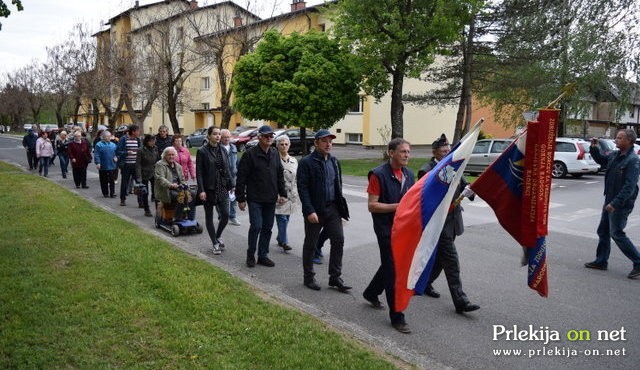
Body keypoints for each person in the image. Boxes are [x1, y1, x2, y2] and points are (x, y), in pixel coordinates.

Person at [417, 134, 479, 314]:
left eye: (448, 150)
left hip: (453, 221)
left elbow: (465, 185)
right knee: (452, 261)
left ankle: (426, 283)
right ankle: (461, 301)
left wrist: (470, 190)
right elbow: (425, 198)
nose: (447, 152)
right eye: (443, 150)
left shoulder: (454, 165)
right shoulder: (426, 170)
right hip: (438, 223)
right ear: (434, 152)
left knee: (440, 260)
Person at [363, 138, 414, 334]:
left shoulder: (409, 175)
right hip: (385, 230)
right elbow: (372, 205)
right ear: (391, 153)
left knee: (389, 265)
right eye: (403, 151)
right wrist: (398, 207)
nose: (407, 155)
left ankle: (371, 292)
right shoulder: (378, 175)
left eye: (408, 152)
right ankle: (397, 316)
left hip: (403, 229)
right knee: (394, 272)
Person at [297, 129, 351, 292]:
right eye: (324, 141)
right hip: (315, 210)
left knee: (338, 240)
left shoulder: (334, 161)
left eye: (330, 141)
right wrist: (309, 210)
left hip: (332, 208)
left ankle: (335, 277)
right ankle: (308, 277)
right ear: (316, 143)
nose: (329, 144)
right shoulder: (306, 162)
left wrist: (340, 210)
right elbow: (303, 188)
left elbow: (338, 186)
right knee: (311, 244)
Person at [586, 129, 640, 279]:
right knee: (603, 231)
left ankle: (638, 262)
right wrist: (594, 148)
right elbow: (602, 160)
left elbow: (629, 187)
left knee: (616, 233)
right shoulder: (616, 155)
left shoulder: (633, 160)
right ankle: (601, 261)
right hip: (609, 200)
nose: (616, 140)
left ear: (629, 141)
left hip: (620, 204)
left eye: (620, 138)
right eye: (616, 137)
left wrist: (615, 203)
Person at [236, 125, 287, 268]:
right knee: (256, 226)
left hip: (270, 198)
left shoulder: (275, 152)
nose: (269, 138)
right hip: (255, 198)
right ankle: (250, 254)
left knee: (267, 227)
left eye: (271, 136)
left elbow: (279, 174)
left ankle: (263, 255)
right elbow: (241, 177)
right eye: (266, 136)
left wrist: (282, 193)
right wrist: (241, 198)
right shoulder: (250, 154)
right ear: (259, 138)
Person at [196, 127, 233, 255]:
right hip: (209, 188)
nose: (218, 136)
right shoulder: (202, 151)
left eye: (219, 134)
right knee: (209, 216)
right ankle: (215, 243)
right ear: (209, 135)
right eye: (215, 134)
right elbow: (199, 173)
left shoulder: (222, 149)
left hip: (222, 187)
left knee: (226, 214)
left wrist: (231, 184)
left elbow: (227, 168)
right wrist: (201, 190)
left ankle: (217, 235)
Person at [274, 135, 299, 252]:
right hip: (279, 194)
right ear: (277, 146)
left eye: (286, 144)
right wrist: (278, 194)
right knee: (282, 218)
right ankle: (284, 241)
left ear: (289, 145)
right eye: (281, 144)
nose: (284, 146)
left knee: (286, 218)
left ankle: (280, 237)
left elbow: (296, 179)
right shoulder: (274, 159)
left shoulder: (294, 161)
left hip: (291, 195)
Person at [219, 129, 241, 226]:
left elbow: (237, 162)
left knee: (233, 198)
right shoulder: (218, 148)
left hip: (233, 177)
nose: (227, 139)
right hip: (222, 178)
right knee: (221, 198)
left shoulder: (233, 147)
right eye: (225, 137)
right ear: (221, 138)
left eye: (228, 137)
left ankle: (233, 216)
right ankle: (221, 217)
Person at [116, 124, 141, 206]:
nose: (139, 132)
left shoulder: (138, 139)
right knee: (124, 183)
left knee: (139, 183)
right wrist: (127, 153)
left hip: (135, 165)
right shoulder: (123, 139)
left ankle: (140, 202)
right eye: (137, 131)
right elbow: (118, 151)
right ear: (133, 132)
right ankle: (122, 199)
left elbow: (141, 150)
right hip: (126, 165)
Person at [136, 134, 160, 217]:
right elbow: (138, 164)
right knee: (145, 192)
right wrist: (139, 178)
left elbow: (158, 161)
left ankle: (158, 211)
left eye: (154, 141)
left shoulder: (155, 148)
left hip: (154, 173)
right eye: (151, 141)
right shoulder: (141, 150)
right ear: (147, 141)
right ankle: (147, 210)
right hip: (144, 173)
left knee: (156, 193)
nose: (153, 142)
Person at [94, 130, 118, 198]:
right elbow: (97, 155)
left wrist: (116, 157)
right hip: (103, 165)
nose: (108, 138)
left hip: (112, 165)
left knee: (112, 180)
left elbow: (116, 153)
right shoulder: (99, 145)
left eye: (109, 136)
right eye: (106, 136)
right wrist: (98, 162)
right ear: (103, 137)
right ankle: (105, 193)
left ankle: (112, 193)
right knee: (103, 180)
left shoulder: (113, 145)